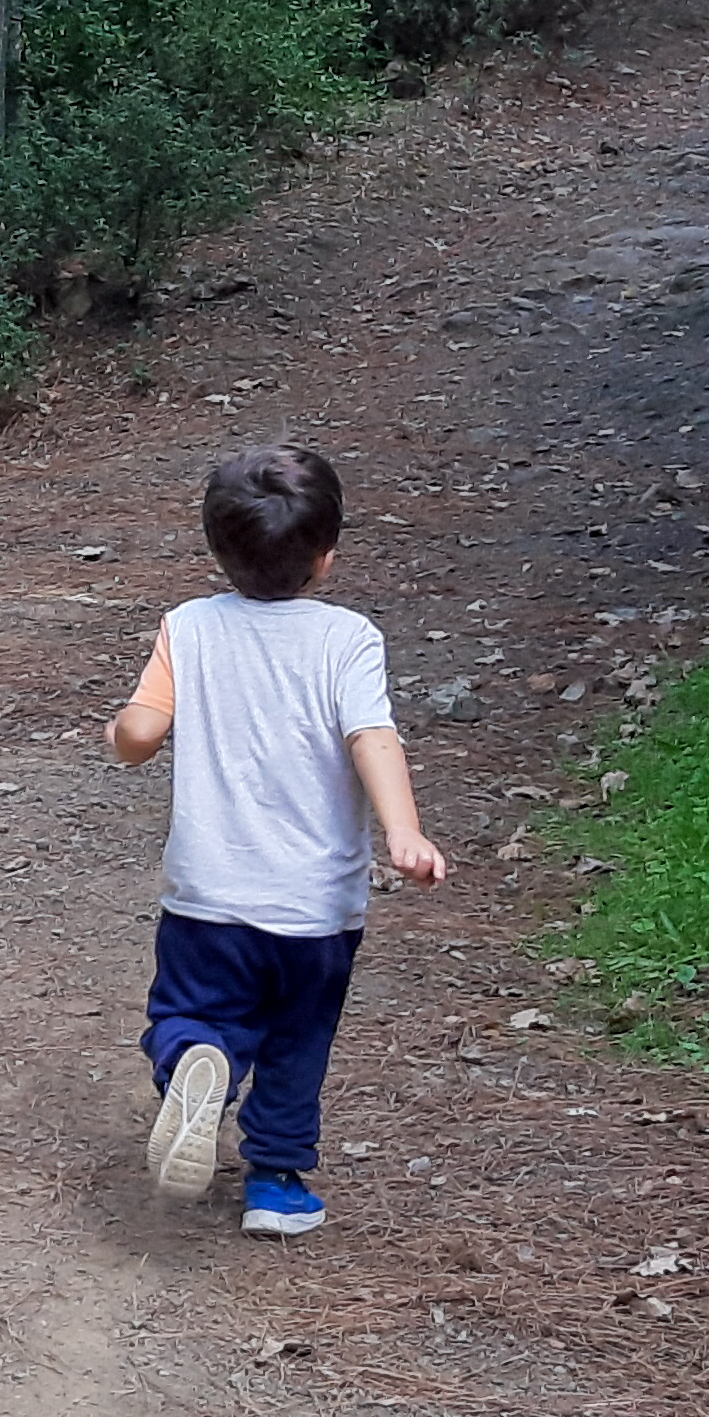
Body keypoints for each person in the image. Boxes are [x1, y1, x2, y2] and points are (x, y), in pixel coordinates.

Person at [106, 440, 447, 1236]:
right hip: (316, 908)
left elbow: (142, 733)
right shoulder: (348, 639)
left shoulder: (188, 628)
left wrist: (120, 730)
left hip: (208, 895)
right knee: (299, 1040)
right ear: (325, 558)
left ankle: (201, 1062)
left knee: (189, 1012)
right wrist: (404, 833)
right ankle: (277, 1185)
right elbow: (373, 738)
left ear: (217, 549)